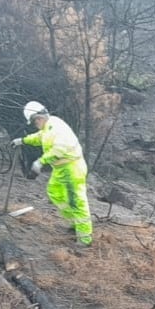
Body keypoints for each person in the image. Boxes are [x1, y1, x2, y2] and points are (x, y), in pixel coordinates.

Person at [12, 101, 93, 247]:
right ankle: (74, 223)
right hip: (61, 169)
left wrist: (40, 162)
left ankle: (84, 239)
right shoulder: (48, 126)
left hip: (72, 168)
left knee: (76, 201)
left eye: (34, 121)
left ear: (38, 118)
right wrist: (23, 140)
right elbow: (40, 137)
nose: (34, 124)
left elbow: (59, 150)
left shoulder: (57, 127)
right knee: (54, 192)